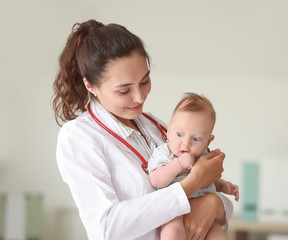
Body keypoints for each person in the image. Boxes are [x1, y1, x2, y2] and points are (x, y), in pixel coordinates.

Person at [52, 19, 233, 240]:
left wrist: (213, 204)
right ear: (91, 86)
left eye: (145, 81)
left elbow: (215, 206)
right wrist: (192, 184)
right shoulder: (79, 137)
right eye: (124, 90)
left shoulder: (157, 127)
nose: (139, 97)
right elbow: (106, 229)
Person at [148, 93, 239, 240]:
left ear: (208, 141)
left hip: (204, 213)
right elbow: (156, 180)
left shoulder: (203, 155)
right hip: (174, 209)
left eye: (196, 139)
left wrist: (222, 185)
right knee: (172, 230)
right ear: (168, 131)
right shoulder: (164, 153)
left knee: (218, 235)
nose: (186, 143)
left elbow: (207, 179)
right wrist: (178, 164)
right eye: (179, 134)